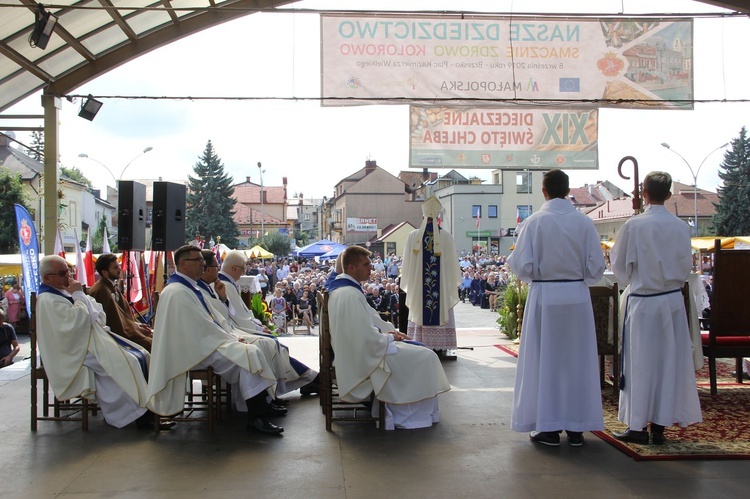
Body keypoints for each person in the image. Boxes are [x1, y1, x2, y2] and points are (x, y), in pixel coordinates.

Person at [506, 169, 606, 447]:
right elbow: (597, 267)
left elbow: (521, 265)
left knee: (544, 361)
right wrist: (576, 280)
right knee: (576, 362)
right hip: (576, 296)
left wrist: (539, 278)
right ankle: (576, 428)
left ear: (544, 191)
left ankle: (547, 428)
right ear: (567, 189)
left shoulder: (534, 222)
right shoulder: (584, 223)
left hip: (545, 296)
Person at [147, 245, 283, 435]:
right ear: (184, 264)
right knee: (249, 354)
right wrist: (230, 339)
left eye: (203, 261)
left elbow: (211, 319)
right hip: (193, 350)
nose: (203, 264)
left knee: (251, 353)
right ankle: (257, 416)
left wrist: (229, 334)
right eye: (198, 261)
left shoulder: (187, 288)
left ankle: (259, 411)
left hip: (204, 342)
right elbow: (200, 327)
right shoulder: (177, 292)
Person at [610, 171, 702, 445]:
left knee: (641, 365)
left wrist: (636, 278)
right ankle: (660, 426)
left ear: (644, 193)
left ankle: (637, 426)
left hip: (645, 302)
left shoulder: (634, 226)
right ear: (670, 194)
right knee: (667, 364)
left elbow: (619, 268)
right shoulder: (681, 227)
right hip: (672, 303)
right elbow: (686, 267)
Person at [328, 246, 451, 430]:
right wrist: (389, 338)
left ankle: (410, 411)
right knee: (427, 356)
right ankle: (409, 415)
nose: (371, 268)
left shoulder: (346, 290)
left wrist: (391, 333)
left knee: (421, 351)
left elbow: (368, 324)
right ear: (351, 268)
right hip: (362, 358)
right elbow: (364, 338)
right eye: (366, 264)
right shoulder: (349, 294)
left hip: (364, 349)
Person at [35, 255, 156, 429]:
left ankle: (145, 410)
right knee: (128, 362)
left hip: (86, 342)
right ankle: (138, 416)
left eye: (69, 272)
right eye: (62, 273)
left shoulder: (63, 293)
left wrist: (78, 297)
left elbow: (97, 313)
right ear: (47, 278)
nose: (68, 277)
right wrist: (78, 295)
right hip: (73, 351)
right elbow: (76, 323)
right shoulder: (48, 299)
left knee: (142, 355)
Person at [218, 251, 319, 393]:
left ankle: (308, 379)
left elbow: (242, 314)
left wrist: (259, 326)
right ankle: (306, 380)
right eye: (242, 269)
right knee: (271, 344)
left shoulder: (228, 284)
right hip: (236, 332)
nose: (242, 274)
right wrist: (259, 329)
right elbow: (238, 317)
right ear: (234, 268)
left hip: (239, 329)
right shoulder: (225, 285)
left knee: (275, 345)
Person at [401, 196, 462, 355]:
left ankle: (421, 343)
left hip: (419, 289)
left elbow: (406, 266)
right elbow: (453, 268)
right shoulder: (447, 237)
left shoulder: (412, 237)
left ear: (423, 216)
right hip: (440, 291)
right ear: (438, 217)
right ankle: (440, 347)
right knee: (440, 307)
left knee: (420, 307)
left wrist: (412, 283)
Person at [88, 253, 153, 352]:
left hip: (128, 330)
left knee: (154, 336)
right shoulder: (101, 291)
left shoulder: (110, 286)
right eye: (115, 267)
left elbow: (123, 317)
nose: (119, 269)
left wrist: (136, 325)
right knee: (151, 343)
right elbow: (113, 324)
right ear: (104, 272)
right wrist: (136, 329)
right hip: (116, 338)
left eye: (118, 265)